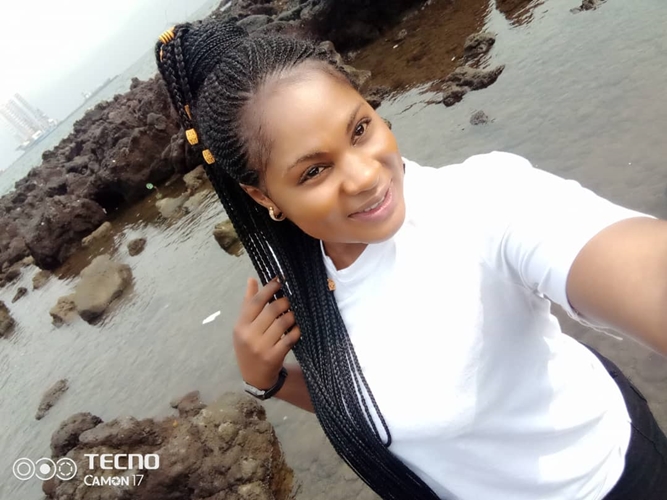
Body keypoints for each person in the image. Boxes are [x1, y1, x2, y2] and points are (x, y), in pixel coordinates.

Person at [155, 19, 667, 500]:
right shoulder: (302, 289)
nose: (365, 177)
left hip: (612, 478)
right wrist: (269, 381)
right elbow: (366, 403)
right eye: (314, 171)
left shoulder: (481, 201)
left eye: (360, 129)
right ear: (263, 196)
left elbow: (642, 271)